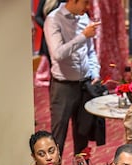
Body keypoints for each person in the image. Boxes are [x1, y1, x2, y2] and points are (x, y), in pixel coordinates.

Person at [44, 0, 104, 156]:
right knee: (58, 138)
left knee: (82, 137)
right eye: (85, 2)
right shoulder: (53, 19)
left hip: (84, 85)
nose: (88, 7)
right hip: (63, 87)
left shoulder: (84, 18)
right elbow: (58, 54)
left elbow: (90, 52)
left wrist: (95, 72)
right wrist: (83, 36)